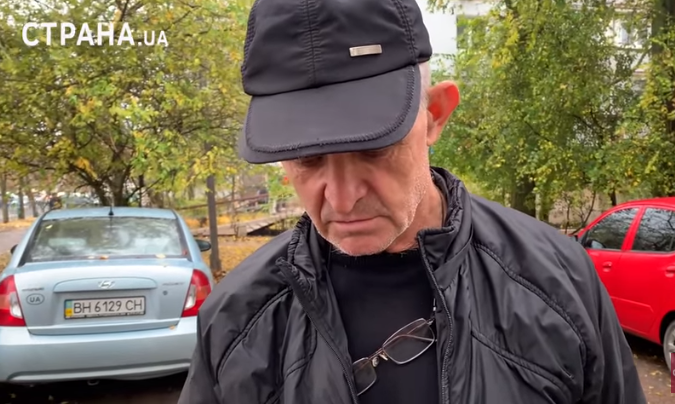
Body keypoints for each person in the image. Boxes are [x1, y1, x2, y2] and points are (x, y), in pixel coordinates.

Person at [178, 0, 648, 402]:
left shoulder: (557, 282)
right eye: (306, 158)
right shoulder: (236, 319)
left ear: (435, 115)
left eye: (374, 148)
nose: (342, 198)